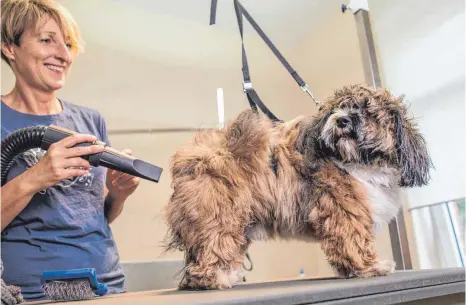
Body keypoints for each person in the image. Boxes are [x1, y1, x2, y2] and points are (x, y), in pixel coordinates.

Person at [1, 0, 140, 300]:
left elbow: (98, 216)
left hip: (106, 287)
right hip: (29, 294)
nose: (63, 55)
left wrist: (118, 192)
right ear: (9, 47)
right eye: (46, 40)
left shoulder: (90, 121)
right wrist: (35, 177)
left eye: (68, 44)